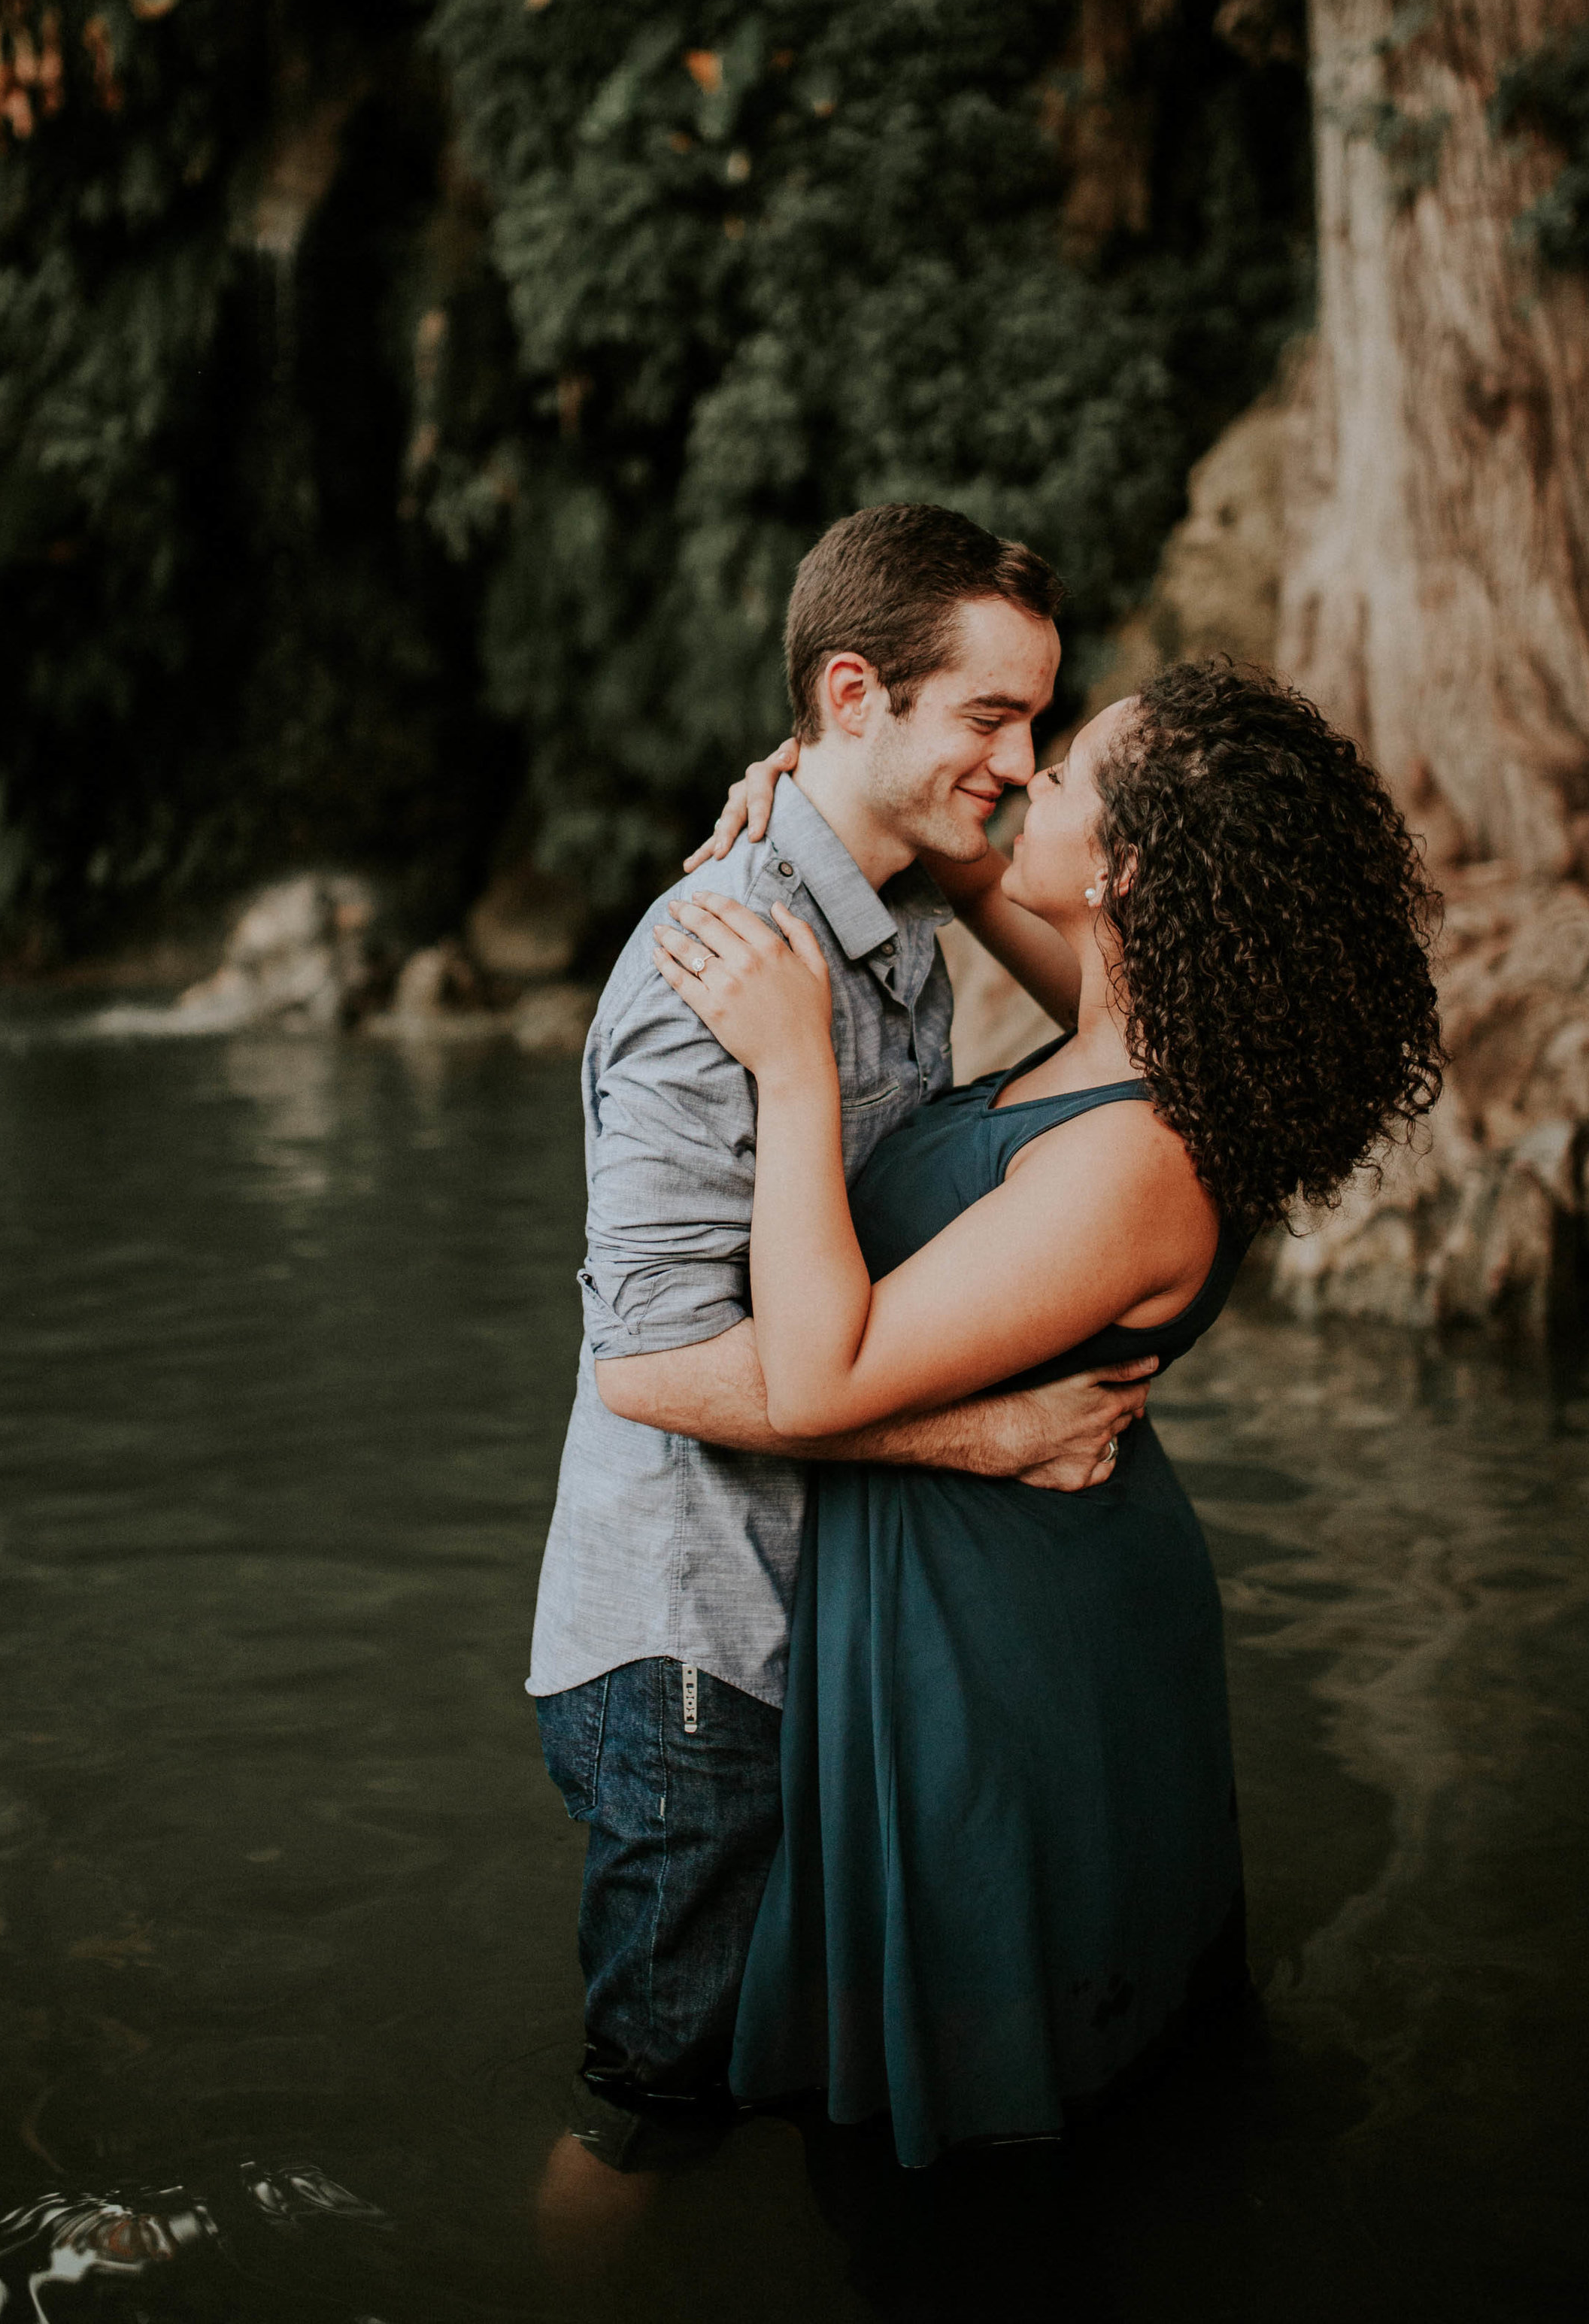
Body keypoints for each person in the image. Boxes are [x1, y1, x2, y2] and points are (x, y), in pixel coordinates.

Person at [653, 659, 1443, 2168]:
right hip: (983, 1564)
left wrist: (789, 1064)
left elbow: (816, 1378)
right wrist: (793, 797)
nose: (1024, 780)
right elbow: (939, 843)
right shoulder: (1124, 1020)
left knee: (1011, 2119)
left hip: (995, 1639)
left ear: (1126, 867)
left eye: (1064, 773)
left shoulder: (1136, 1160)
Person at [528, 505, 1160, 2215]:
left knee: (784, 2097)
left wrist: (833, 788)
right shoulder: (712, 968)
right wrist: (983, 1438)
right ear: (855, 690)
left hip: (818, 1633)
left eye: (1038, 724)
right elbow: (647, 1372)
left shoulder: (883, 915)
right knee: (648, 2114)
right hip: (692, 1657)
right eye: (989, 720)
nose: (1022, 767)